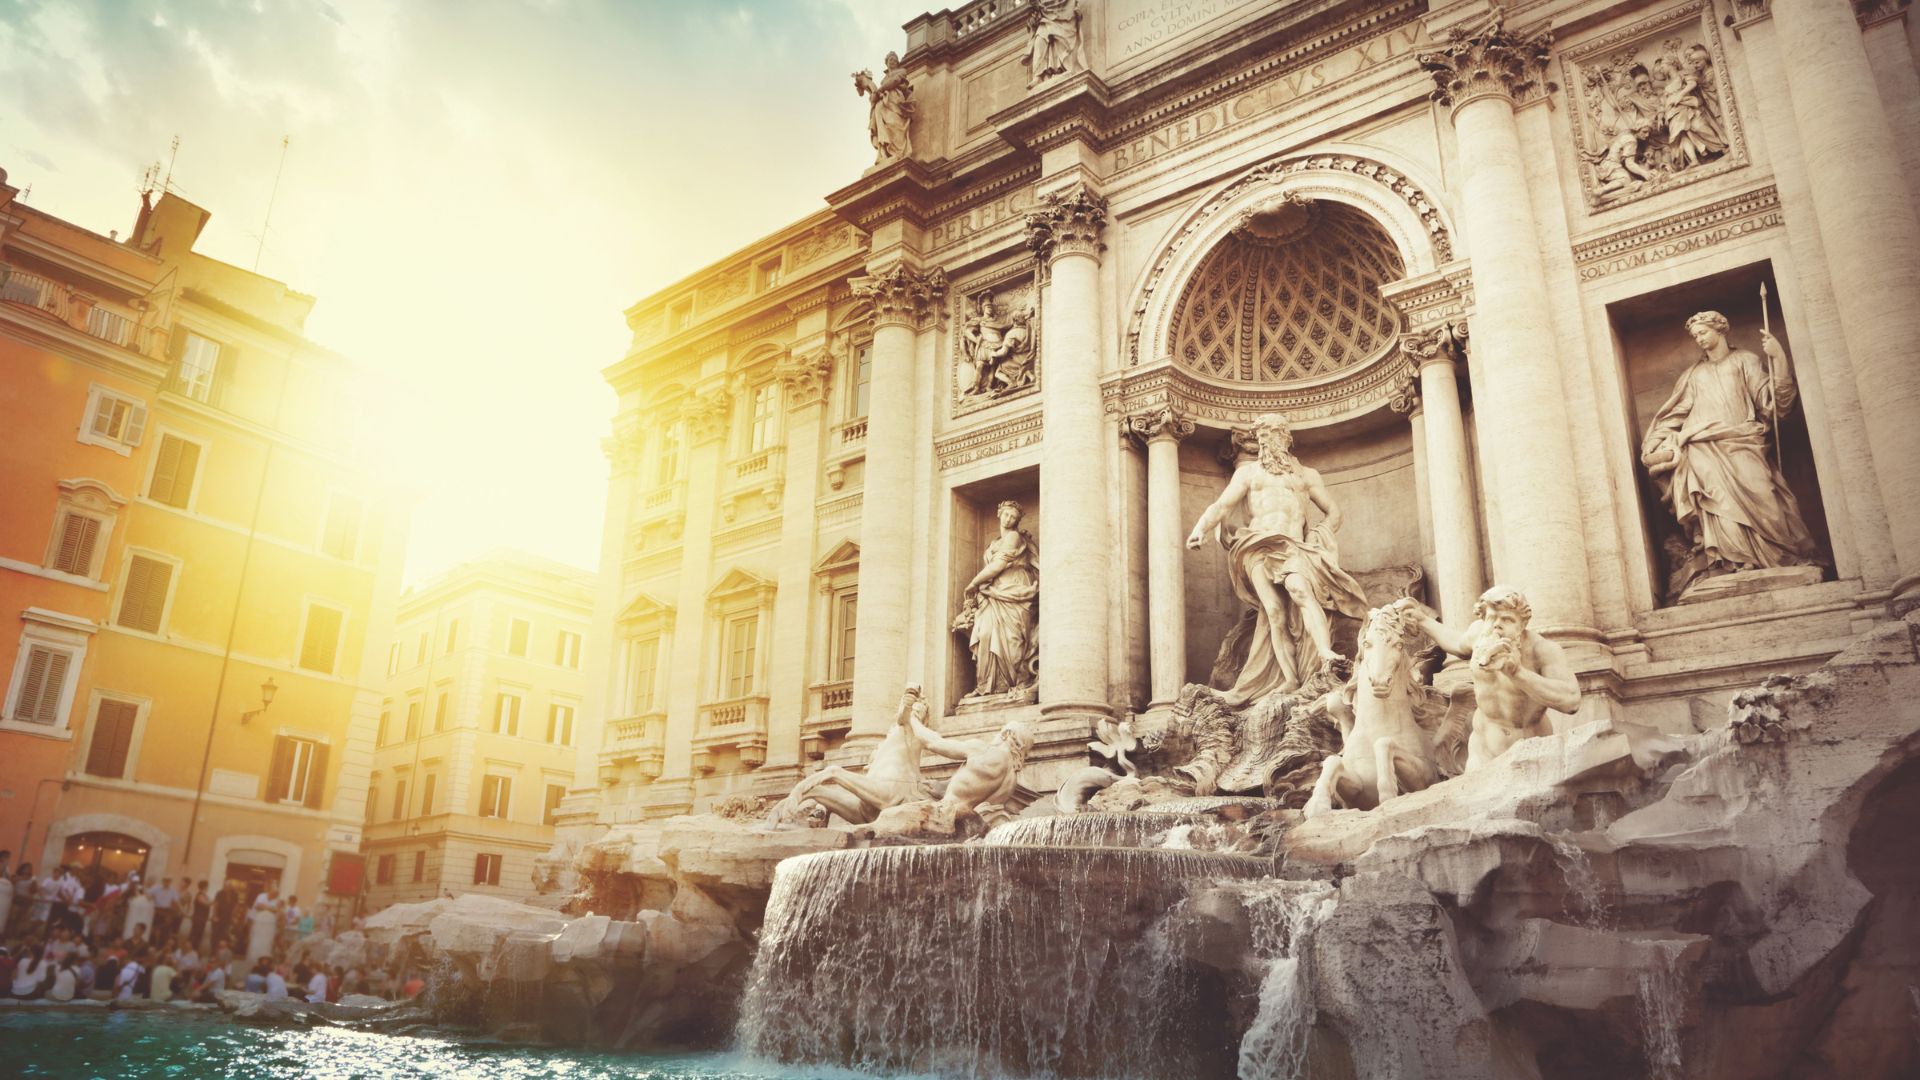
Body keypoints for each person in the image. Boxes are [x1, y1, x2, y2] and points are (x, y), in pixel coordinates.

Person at [1187, 412, 1370, 704]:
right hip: (1256, 545)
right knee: (1273, 611)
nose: (1267, 441)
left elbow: (1334, 512)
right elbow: (1222, 506)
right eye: (1262, 436)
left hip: (1293, 546)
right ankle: (1290, 678)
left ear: (1286, 438)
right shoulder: (1247, 473)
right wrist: (1201, 528)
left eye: (1273, 434)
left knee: (1300, 589)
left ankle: (1325, 654)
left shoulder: (1307, 476)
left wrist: (1318, 534)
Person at [1641, 311, 1819, 596]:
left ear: (1720, 329)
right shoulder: (1692, 376)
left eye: (1703, 332)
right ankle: (1731, 562)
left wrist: (1779, 359)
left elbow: (1774, 406)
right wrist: (1655, 442)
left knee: (1766, 499)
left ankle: (1778, 556)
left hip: (1743, 441)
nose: (1699, 338)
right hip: (1701, 446)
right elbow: (1673, 416)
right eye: (1695, 335)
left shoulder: (1745, 361)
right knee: (1715, 501)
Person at [1396, 587, 1583, 771]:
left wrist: (1517, 673)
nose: (1496, 625)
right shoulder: (1479, 634)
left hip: (1532, 749)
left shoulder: (1542, 650)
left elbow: (1571, 701)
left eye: (1507, 619)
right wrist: (1422, 620)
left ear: (1522, 624)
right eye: (1492, 617)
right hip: (1482, 749)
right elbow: (1457, 643)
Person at [772, 685, 934, 825]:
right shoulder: (891, 737)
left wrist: (907, 705)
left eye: (920, 710)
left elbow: (904, 717)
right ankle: (782, 817)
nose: (917, 711)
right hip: (868, 807)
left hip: (892, 794)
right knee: (818, 792)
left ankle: (800, 794)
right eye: (915, 708)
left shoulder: (916, 731)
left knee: (834, 771)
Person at [955, 500, 1038, 699]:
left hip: (1014, 588)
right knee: (985, 634)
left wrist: (973, 583)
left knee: (1011, 639)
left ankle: (1012, 683)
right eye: (1006, 514)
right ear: (999, 514)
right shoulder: (994, 543)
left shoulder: (1014, 537)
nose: (1009, 519)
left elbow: (998, 565)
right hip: (994, 592)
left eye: (1014, 517)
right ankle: (986, 686)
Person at [188, 880, 212, 949]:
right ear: (205, 887)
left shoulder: (204, 895)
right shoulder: (200, 895)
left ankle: (193, 951)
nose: (208, 888)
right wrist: (215, 901)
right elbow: (205, 903)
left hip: (202, 919)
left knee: (198, 936)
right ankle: (189, 950)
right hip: (198, 918)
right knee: (194, 936)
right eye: (207, 886)